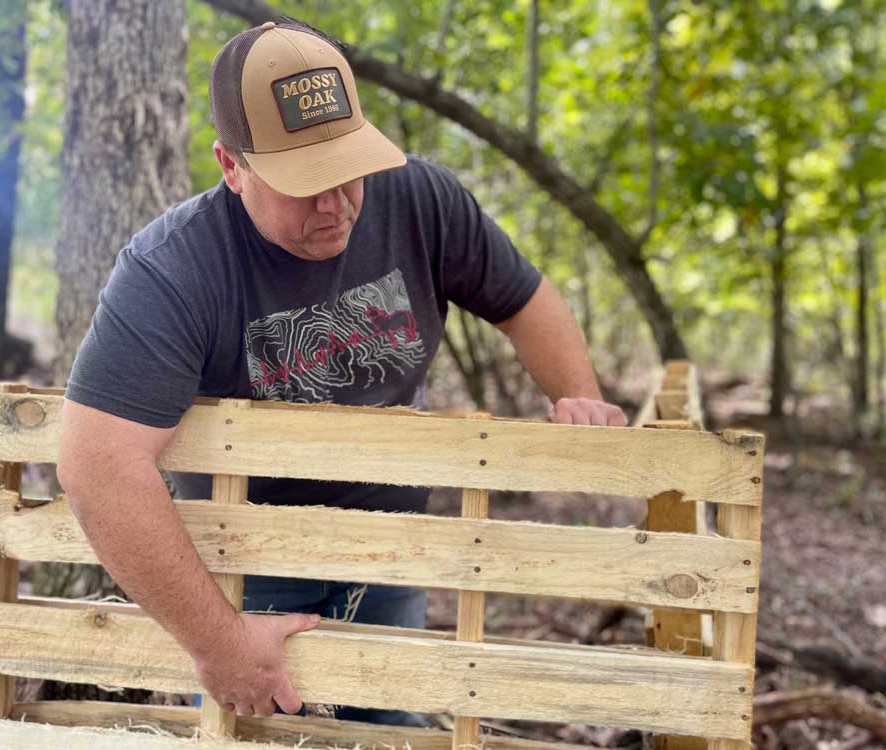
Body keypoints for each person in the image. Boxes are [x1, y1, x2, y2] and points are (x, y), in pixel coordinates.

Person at [56, 19, 627, 728]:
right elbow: (97, 465)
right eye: (305, 182)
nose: (334, 204)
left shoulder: (421, 201)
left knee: (390, 732)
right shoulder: (172, 269)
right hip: (249, 558)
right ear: (232, 166)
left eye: (346, 170)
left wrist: (578, 397)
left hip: (392, 540)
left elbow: (526, 301)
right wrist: (220, 642)